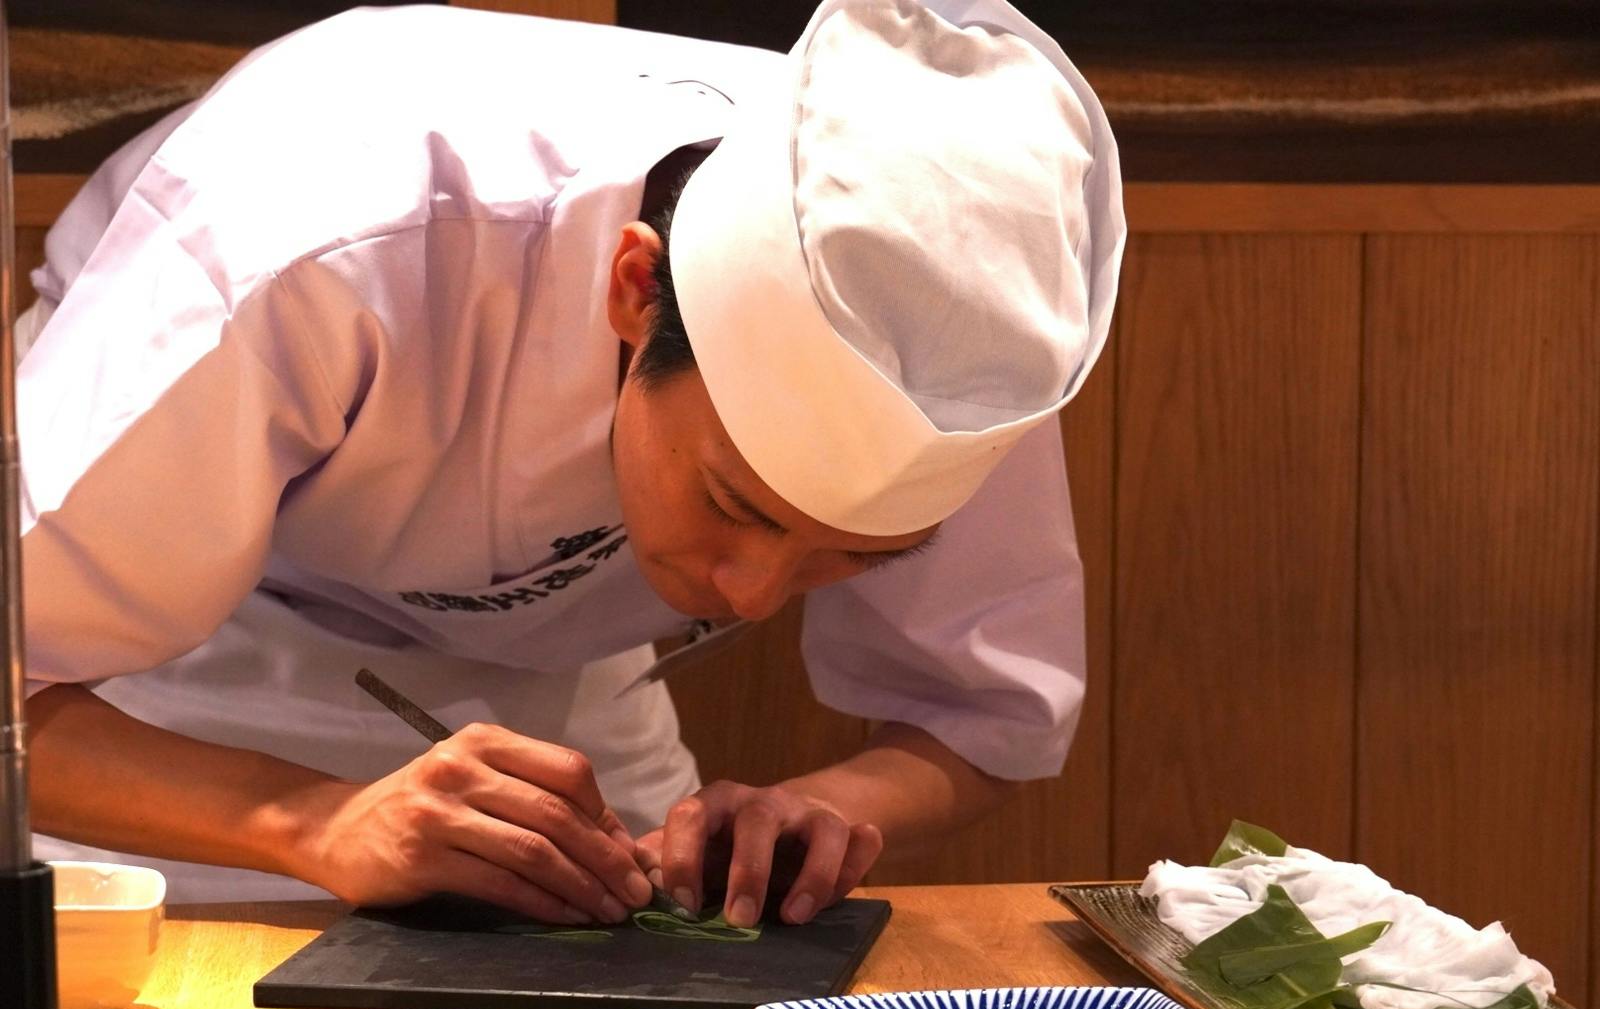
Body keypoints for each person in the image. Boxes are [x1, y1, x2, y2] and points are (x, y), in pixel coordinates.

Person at [19, 0, 1124, 930]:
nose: (749, 595)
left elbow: (981, 713)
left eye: (853, 556)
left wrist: (822, 805)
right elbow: (13, 697)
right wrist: (310, 819)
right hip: (167, 666)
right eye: (731, 503)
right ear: (633, 292)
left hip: (557, 699)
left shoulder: (961, 325)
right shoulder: (314, 228)